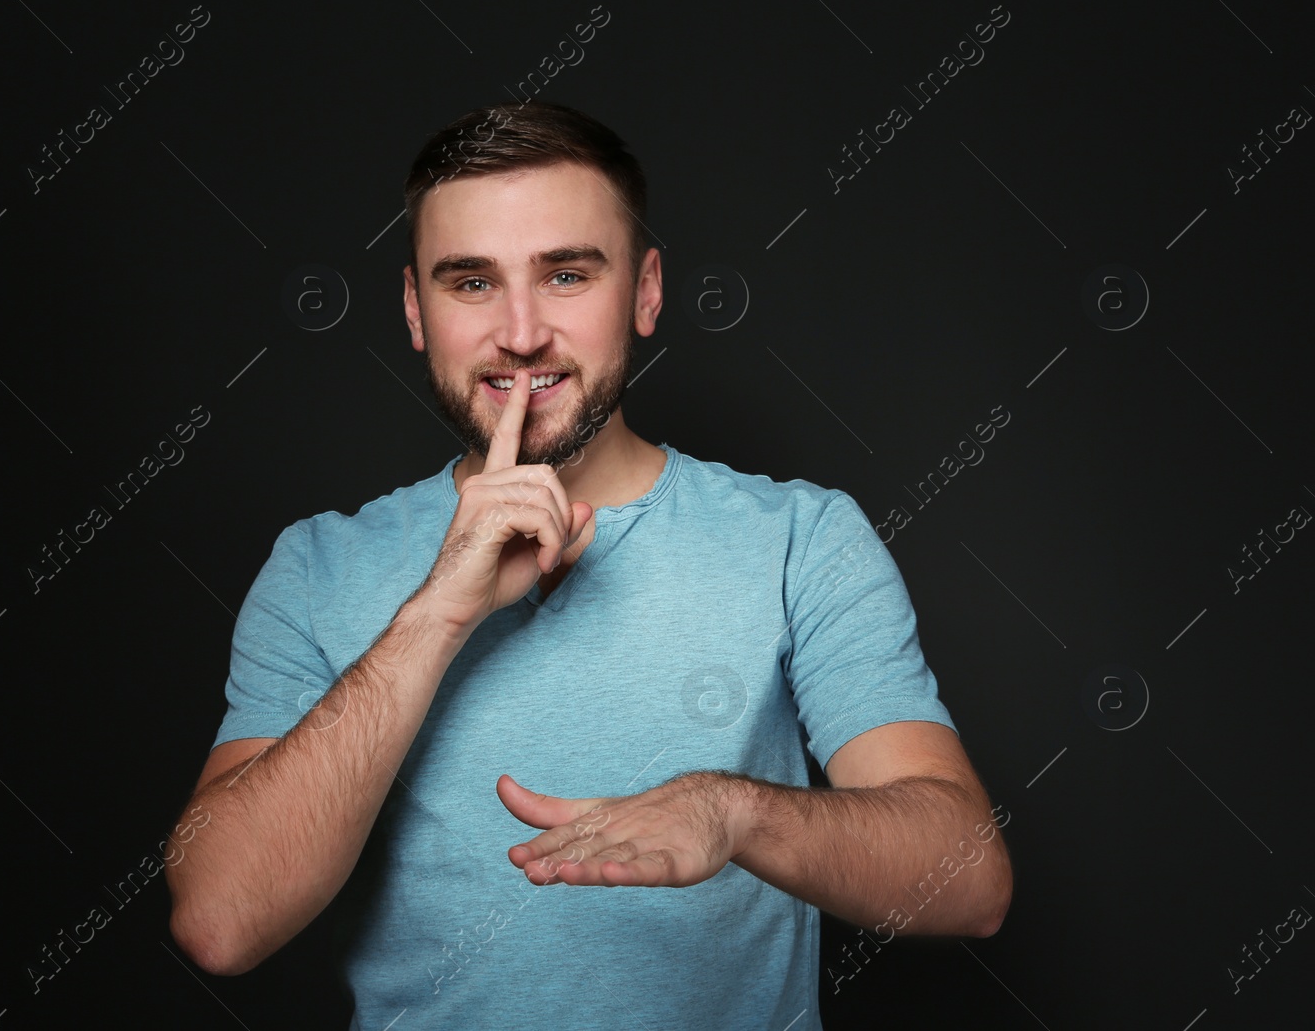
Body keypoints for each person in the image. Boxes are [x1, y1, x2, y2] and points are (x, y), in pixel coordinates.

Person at [165, 101, 1012, 1029]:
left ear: (645, 293)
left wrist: (733, 814)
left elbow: (969, 877)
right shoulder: (318, 567)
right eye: (471, 282)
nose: (521, 333)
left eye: (567, 273)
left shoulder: (800, 539)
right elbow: (220, 919)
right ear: (415, 309)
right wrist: (439, 611)